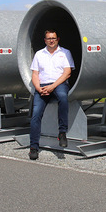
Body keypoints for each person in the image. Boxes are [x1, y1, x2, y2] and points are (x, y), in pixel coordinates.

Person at [27, 29, 75, 160]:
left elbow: (67, 73)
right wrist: (39, 88)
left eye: (53, 38)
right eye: (49, 38)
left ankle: (62, 132)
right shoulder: (39, 54)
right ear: (45, 40)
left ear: (58, 39)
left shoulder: (65, 53)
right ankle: (33, 147)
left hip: (59, 84)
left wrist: (52, 87)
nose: (51, 40)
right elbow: (35, 74)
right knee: (36, 113)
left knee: (63, 98)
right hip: (42, 86)